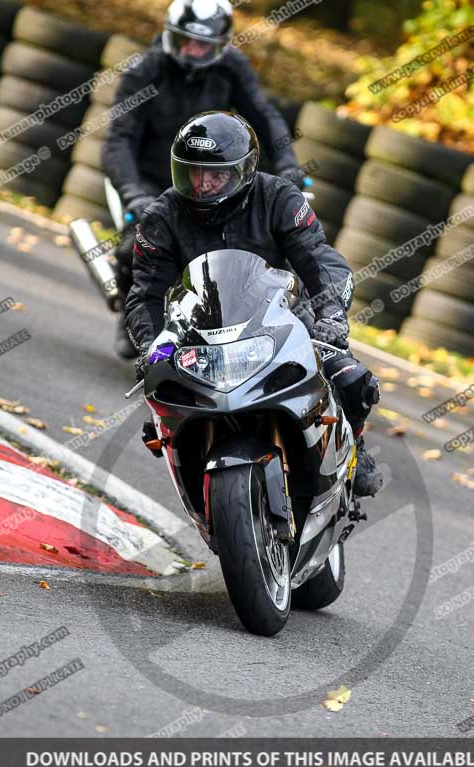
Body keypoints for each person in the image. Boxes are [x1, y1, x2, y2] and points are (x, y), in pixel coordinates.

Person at [126, 112, 383, 497]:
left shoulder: (277, 197)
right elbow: (145, 294)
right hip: (199, 331)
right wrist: (151, 346)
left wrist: (331, 315)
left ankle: (354, 451)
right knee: (161, 408)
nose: (202, 185)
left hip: (282, 318)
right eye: (193, 173)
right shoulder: (161, 217)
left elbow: (320, 260)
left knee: (352, 379)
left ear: (242, 172)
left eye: (216, 175)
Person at [102, 0, 303, 359]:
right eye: (186, 42)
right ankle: (131, 315)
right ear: (170, 35)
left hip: (212, 184)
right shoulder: (144, 71)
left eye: (204, 45)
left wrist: (288, 163)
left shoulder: (232, 68)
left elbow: (265, 115)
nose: (194, 52)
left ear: (221, 44)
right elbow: (119, 140)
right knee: (137, 245)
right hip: (150, 181)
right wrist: (133, 192)